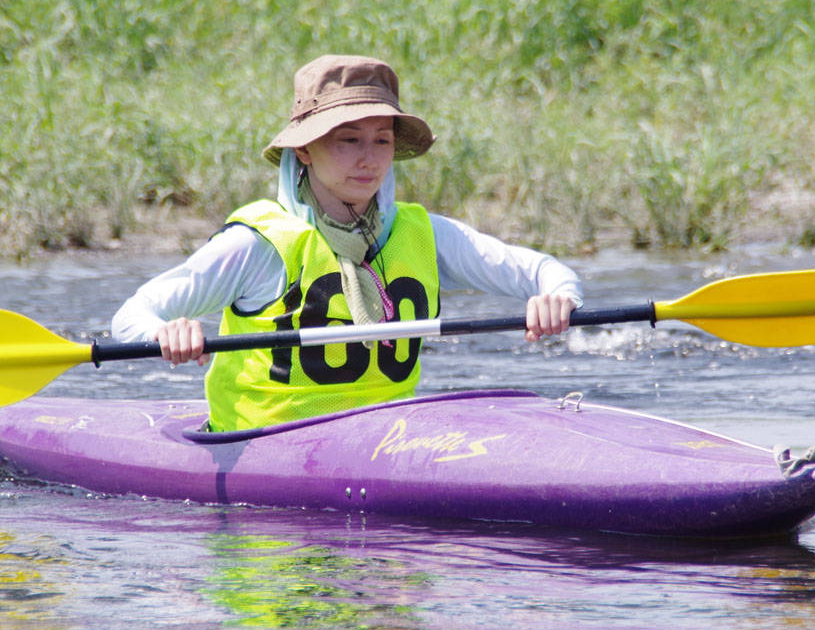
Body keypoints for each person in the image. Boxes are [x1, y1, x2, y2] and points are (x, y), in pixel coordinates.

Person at [112, 55, 582, 432]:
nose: (369, 158)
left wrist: (557, 298)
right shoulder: (255, 246)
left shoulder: (426, 234)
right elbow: (131, 317)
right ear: (304, 149)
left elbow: (544, 270)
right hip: (259, 450)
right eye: (348, 139)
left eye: (381, 141)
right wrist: (164, 333)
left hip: (384, 443)